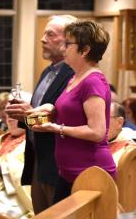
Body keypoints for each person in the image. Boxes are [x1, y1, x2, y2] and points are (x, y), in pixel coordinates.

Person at [29, 19, 116, 203]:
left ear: (85, 50)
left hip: (90, 170)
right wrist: (51, 109)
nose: (63, 49)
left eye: (68, 44)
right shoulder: (76, 77)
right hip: (67, 171)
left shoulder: (93, 81)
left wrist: (57, 128)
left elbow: (97, 132)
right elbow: (73, 112)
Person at [5, 15, 76, 214]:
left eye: (50, 34)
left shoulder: (74, 75)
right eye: (44, 33)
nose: (42, 39)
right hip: (38, 160)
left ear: (68, 41)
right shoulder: (47, 72)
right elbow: (40, 114)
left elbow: (65, 117)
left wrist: (30, 113)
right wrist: (24, 113)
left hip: (57, 164)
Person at [0, 113, 33, 219]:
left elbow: (31, 175)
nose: (9, 119)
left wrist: (2, 168)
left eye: (14, 114)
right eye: (7, 114)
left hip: (14, 195)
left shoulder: (32, 143)